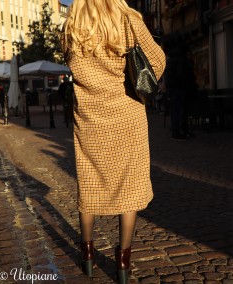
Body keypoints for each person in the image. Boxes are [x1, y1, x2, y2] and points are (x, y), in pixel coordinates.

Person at [61, 1, 166, 283]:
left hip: (90, 117)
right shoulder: (128, 19)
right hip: (127, 112)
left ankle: (87, 255)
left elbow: (70, 62)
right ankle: (122, 262)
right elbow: (157, 60)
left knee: (89, 182)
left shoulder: (72, 25)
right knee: (129, 185)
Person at [164, 42, 197, 140]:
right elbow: (181, 74)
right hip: (178, 87)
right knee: (179, 110)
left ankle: (176, 130)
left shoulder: (171, 58)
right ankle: (177, 132)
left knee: (175, 110)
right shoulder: (181, 59)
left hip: (172, 87)